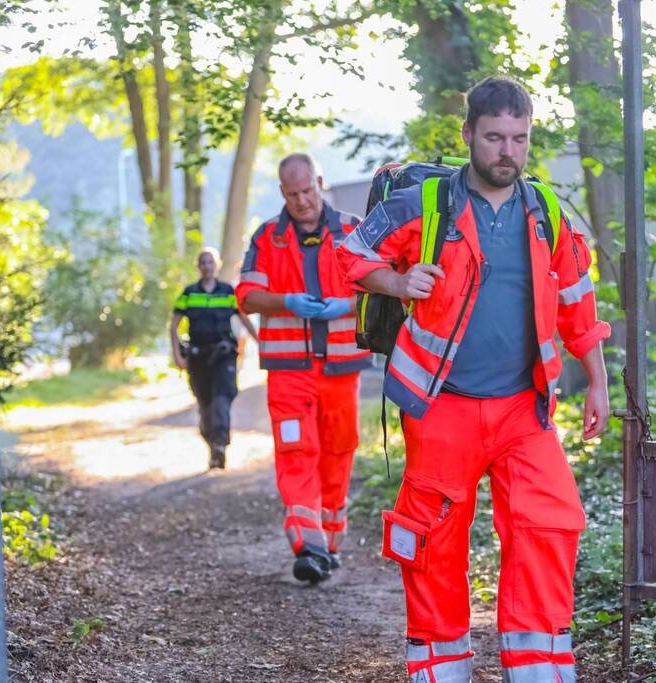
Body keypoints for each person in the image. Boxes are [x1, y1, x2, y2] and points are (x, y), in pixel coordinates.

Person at [335, 76, 612, 682]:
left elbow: (576, 299)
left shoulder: (548, 214)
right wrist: (396, 282)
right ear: (469, 136)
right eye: (494, 137)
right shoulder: (424, 205)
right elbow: (350, 253)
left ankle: (537, 670)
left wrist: (597, 380)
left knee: (549, 523)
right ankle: (441, 670)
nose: (507, 151)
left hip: (523, 409)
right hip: (441, 407)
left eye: (518, 138)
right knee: (432, 542)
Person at [235, 153, 371, 584]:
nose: (302, 201)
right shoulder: (267, 239)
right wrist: (288, 300)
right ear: (282, 192)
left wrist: (346, 304)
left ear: (320, 182)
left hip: (341, 366)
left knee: (338, 450)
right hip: (289, 368)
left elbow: (383, 288)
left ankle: (329, 543)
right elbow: (248, 297)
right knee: (296, 451)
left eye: (308, 191)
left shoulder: (353, 231)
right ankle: (307, 543)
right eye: (292, 194)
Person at [171, 247, 258, 469]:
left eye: (211, 262)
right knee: (205, 403)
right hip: (198, 358)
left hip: (224, 356)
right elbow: (174, 326)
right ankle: (211, 441)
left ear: (216, 265)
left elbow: (245, 319)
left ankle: (219, 445)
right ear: (198, 266)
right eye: (203, 262)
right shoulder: (189, 293)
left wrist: (262, 343)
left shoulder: (228, 292)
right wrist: (177, 355)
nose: (207, 266)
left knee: (222, 398)